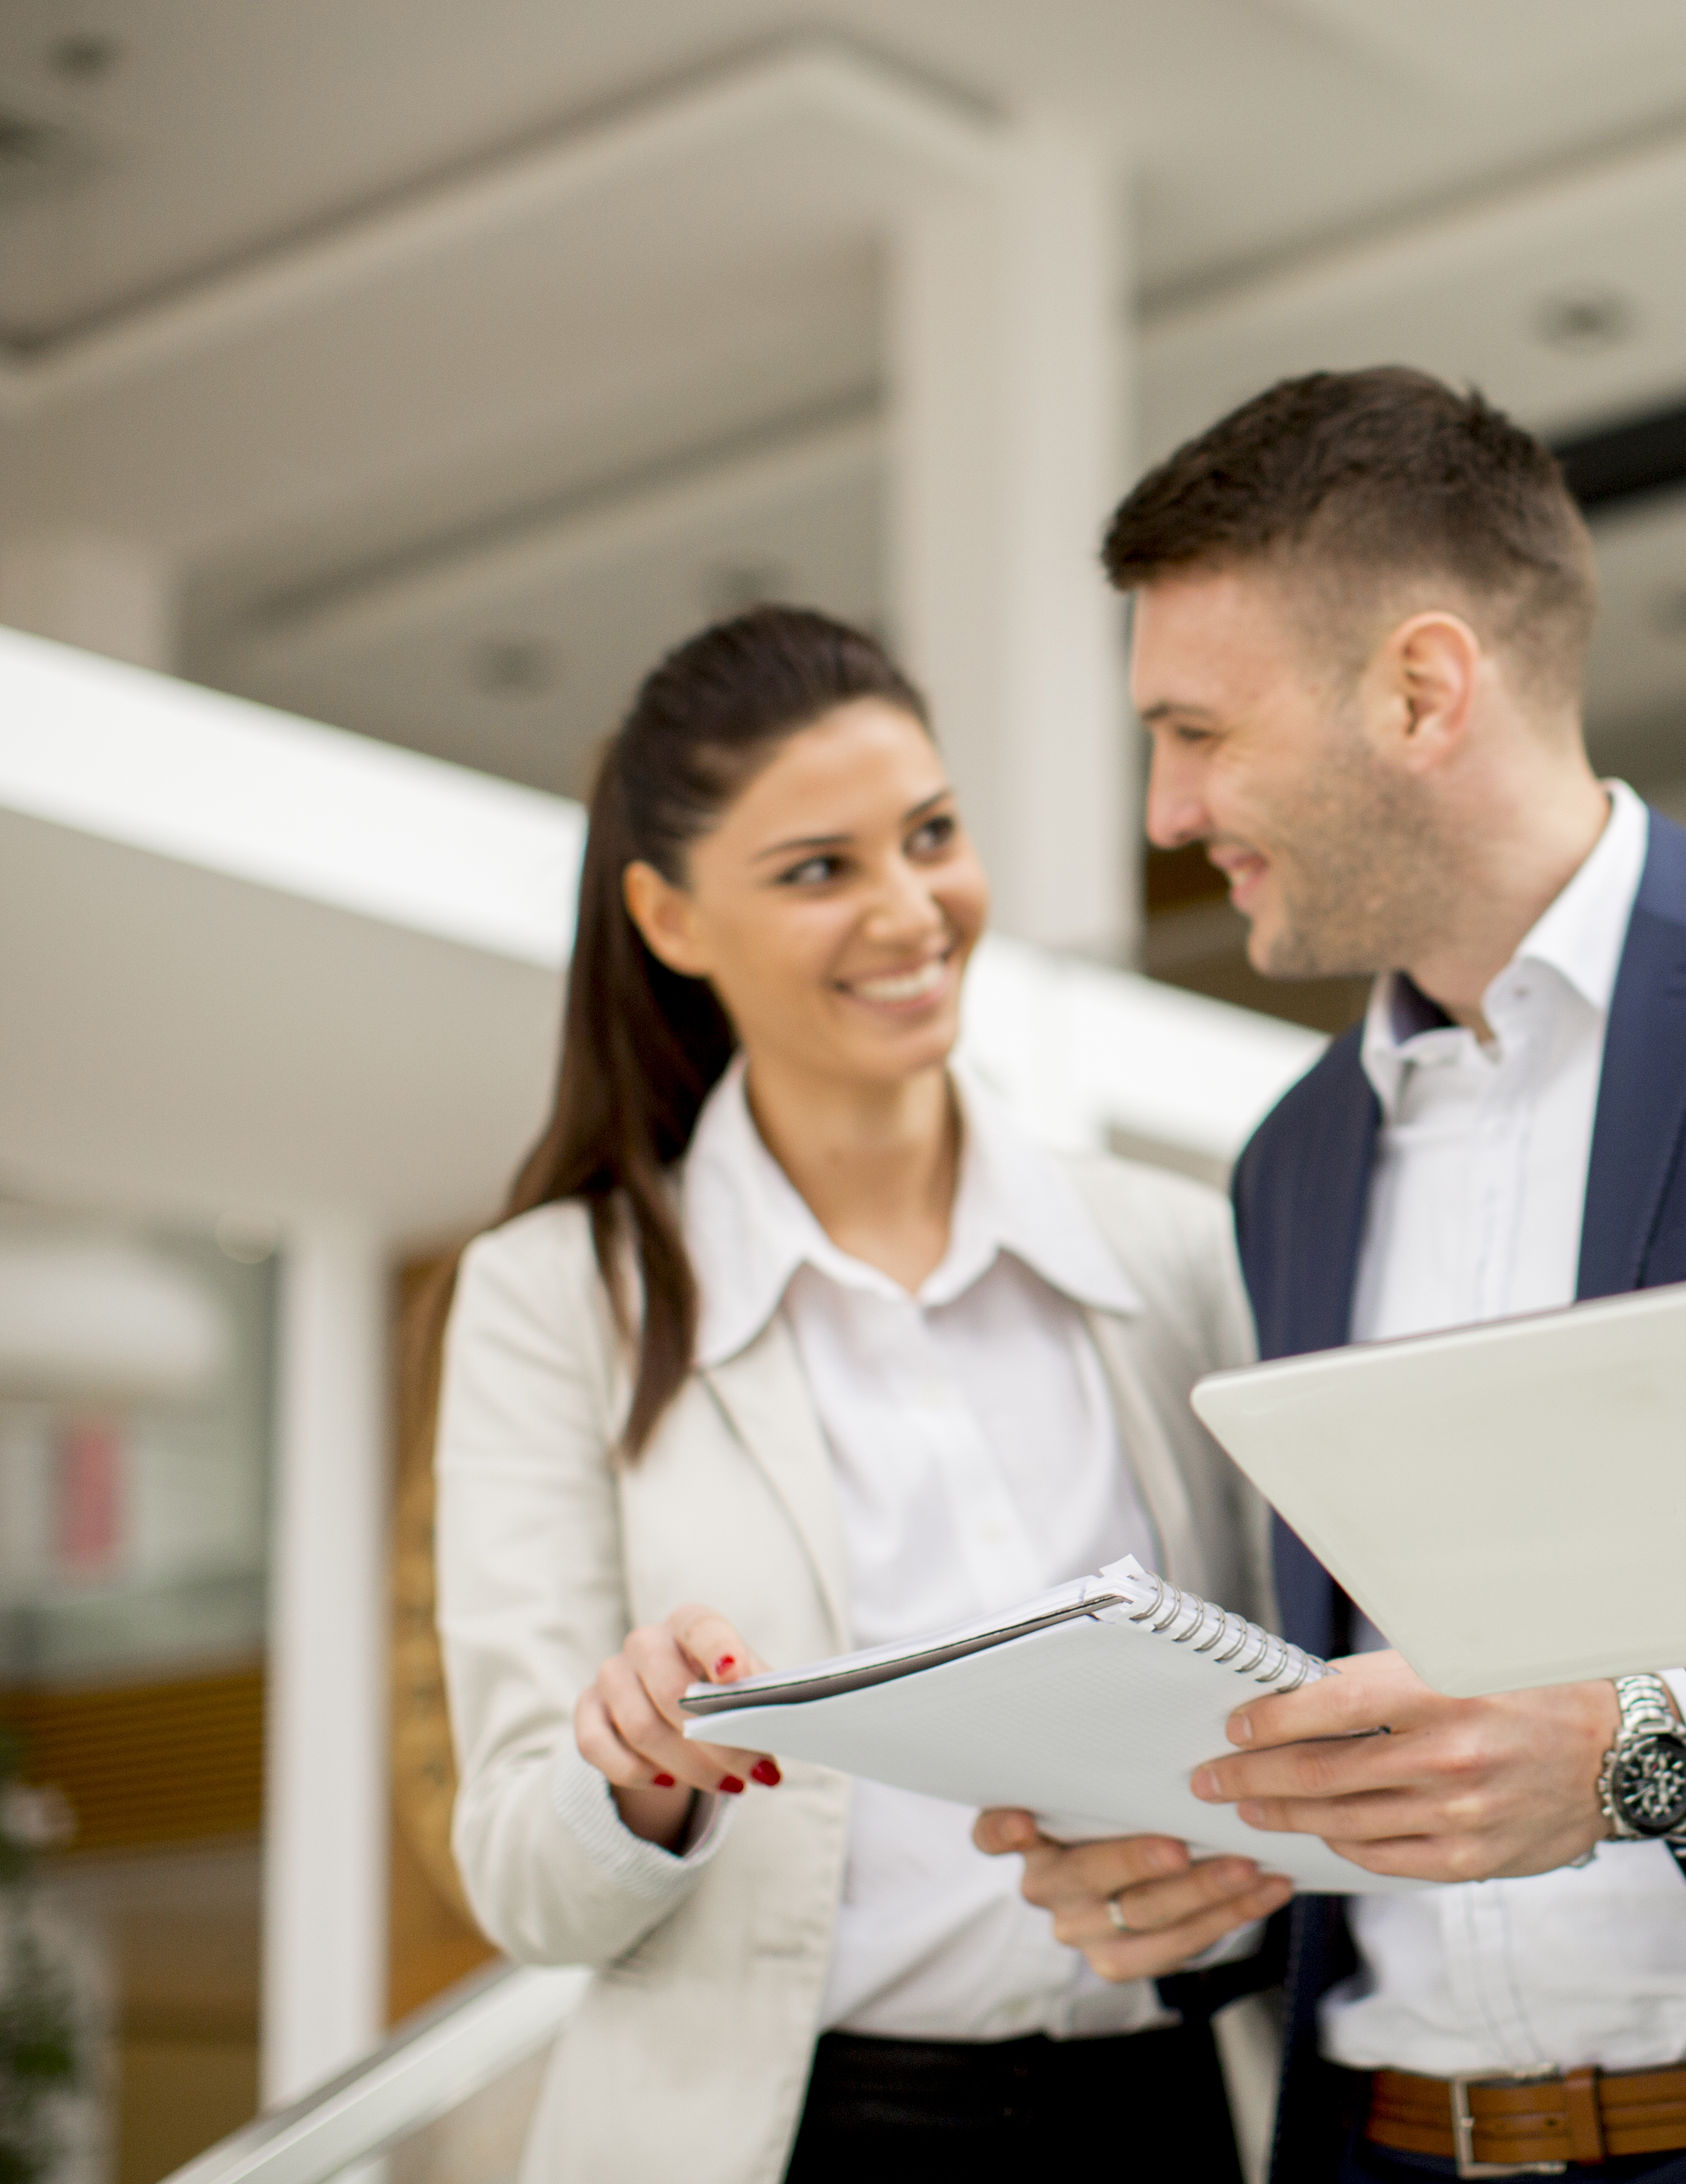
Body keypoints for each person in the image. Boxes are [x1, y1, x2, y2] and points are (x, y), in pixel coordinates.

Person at [976, 367, 1686, 2184]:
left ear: (1424, 688)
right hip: (1383, 2145)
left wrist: (1632, 1757)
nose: (1168, 811)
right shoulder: (1294, 1159)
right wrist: (1239, 1860)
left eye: (1198, 732)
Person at [433, 607, 1272, 2184]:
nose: (910, 911)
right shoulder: (559, 1298)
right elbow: (523, 1885)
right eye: (819, 870)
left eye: (932, 837)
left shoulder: (1168, 1249)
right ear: (669, 919)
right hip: (800, 2136)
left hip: (1171, 2112)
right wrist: (637, 1778)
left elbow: (1293, 1696)